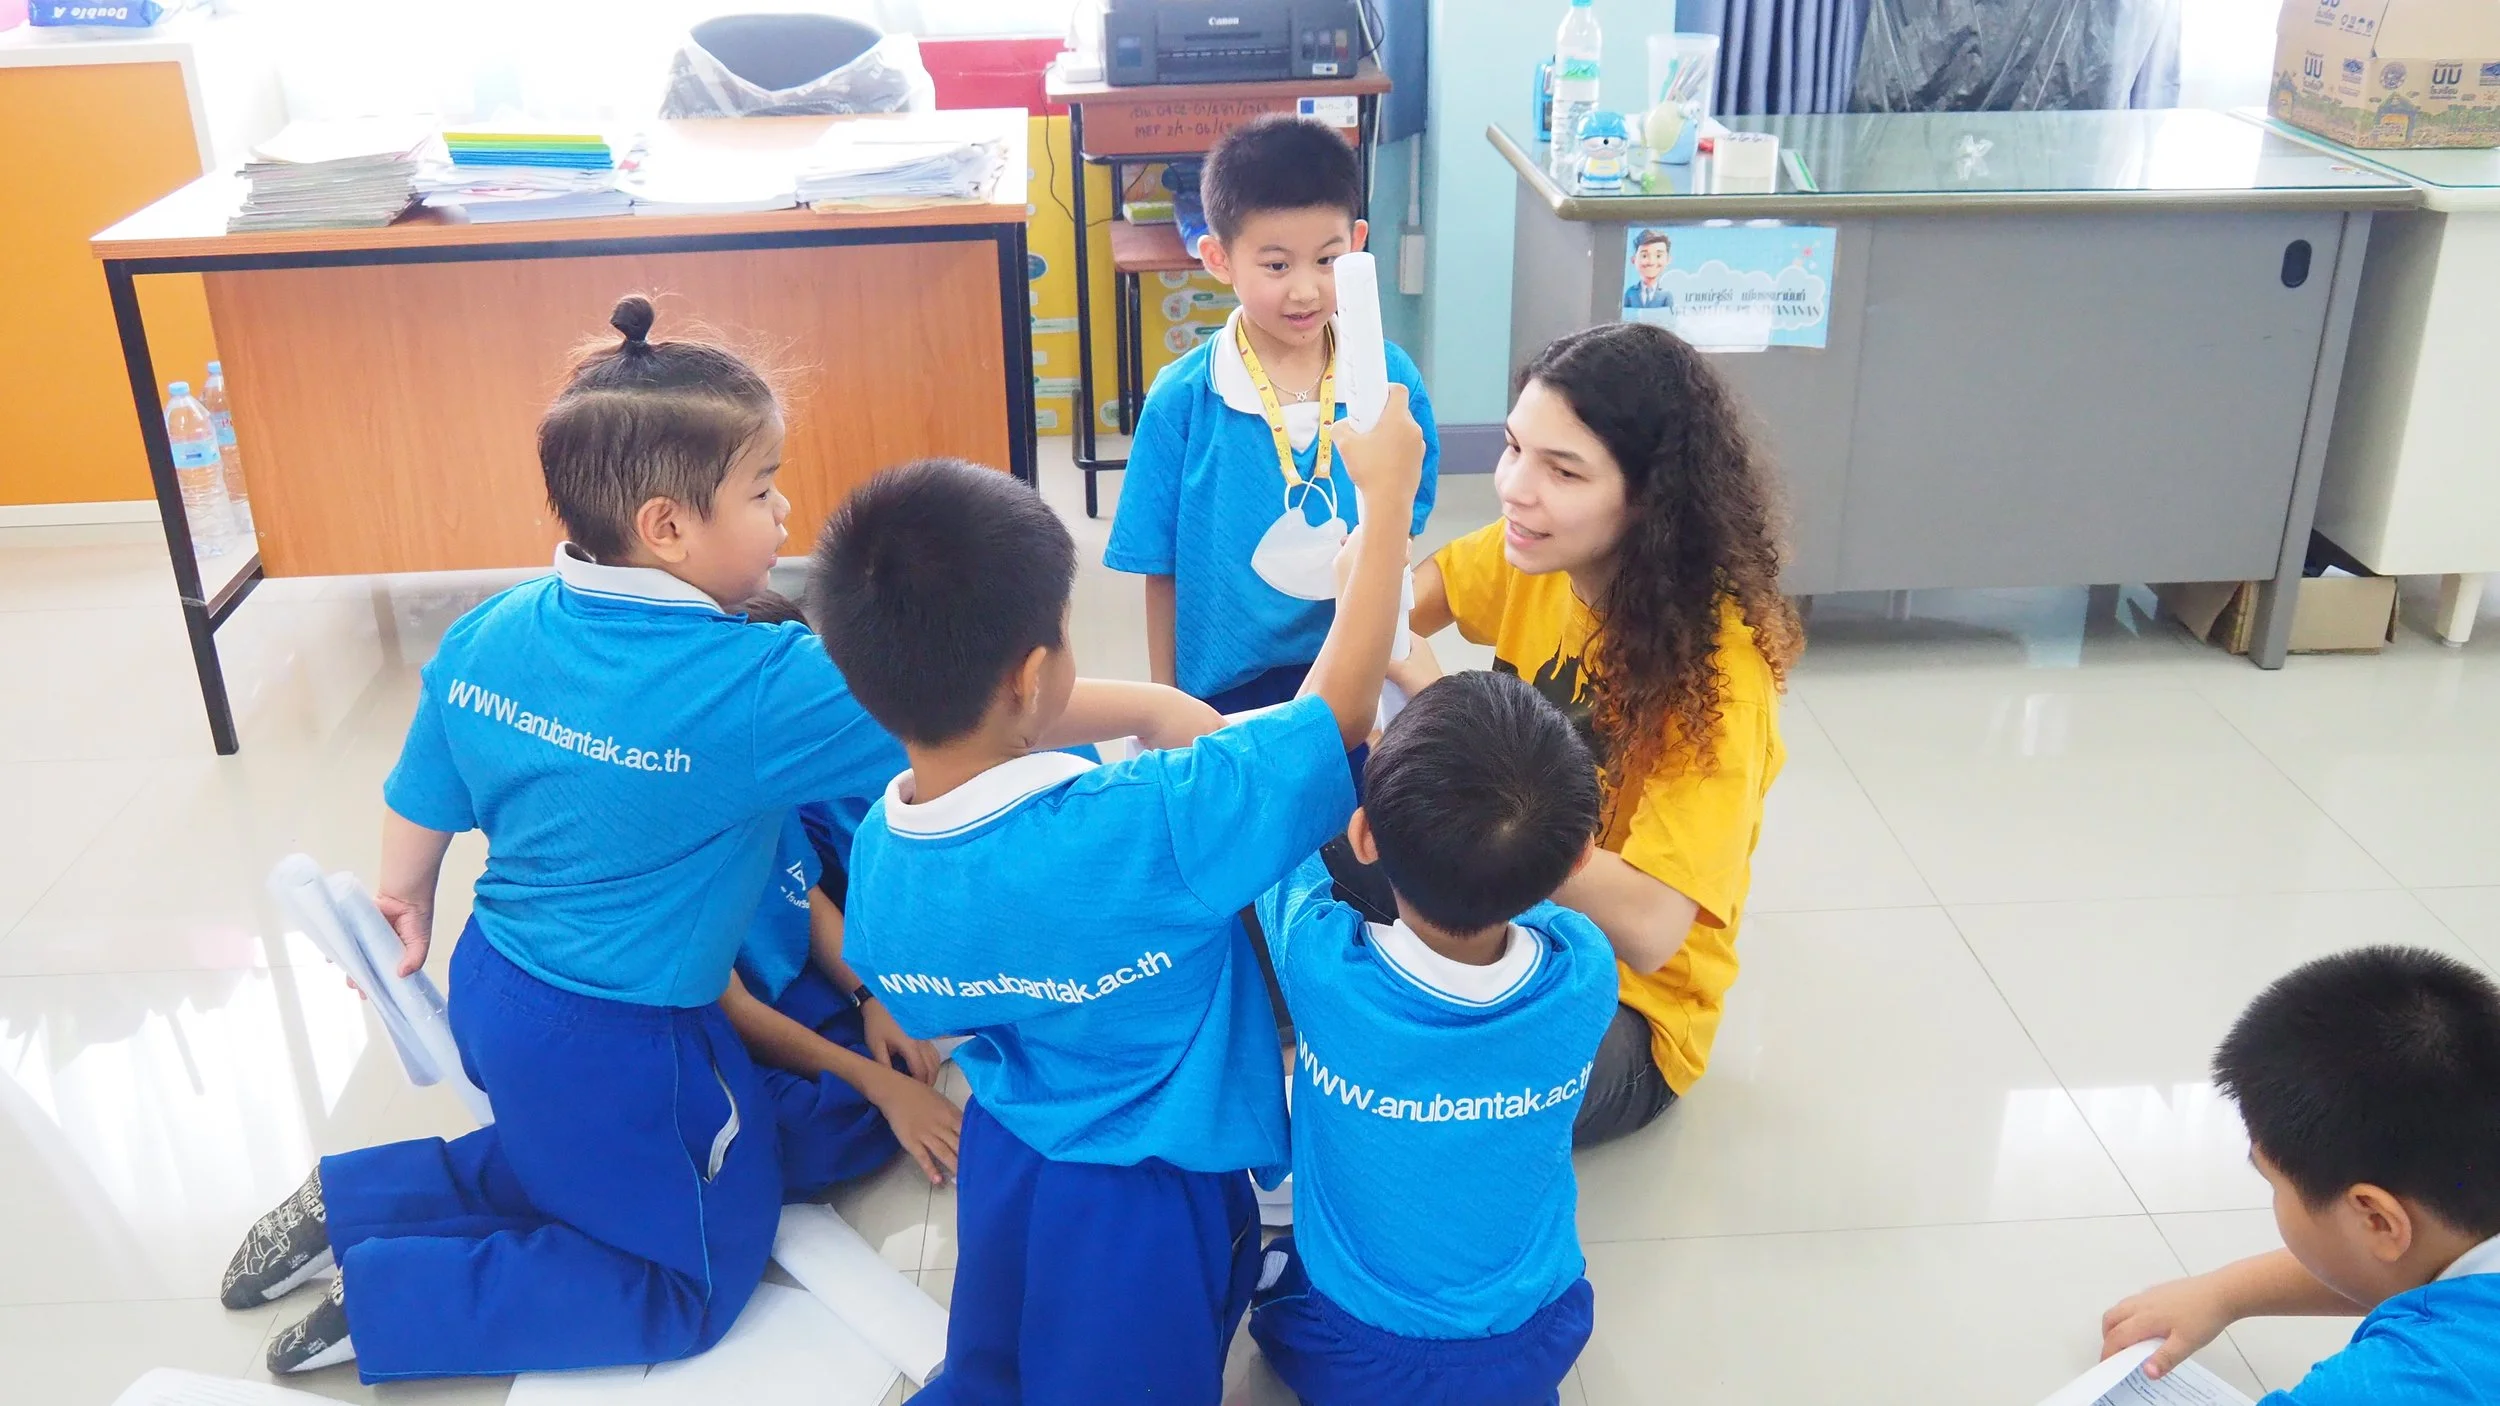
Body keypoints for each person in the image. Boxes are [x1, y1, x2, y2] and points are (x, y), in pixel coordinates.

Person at [216, 296, 909, 1381]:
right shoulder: (764, 679)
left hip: (497, 986)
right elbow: (959, 713)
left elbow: (424, 791)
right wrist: (1156, 718)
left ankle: (358, 1198)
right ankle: (399, 1297)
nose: (787, 512)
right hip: (629, 1036)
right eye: (765, 489)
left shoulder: (491, 626)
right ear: (669, 526)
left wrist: (403, 898)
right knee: (688, 1280)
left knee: (671, 1145)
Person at [807, 389, 1424, 1404]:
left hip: (1009, 1152)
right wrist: (1389, 504)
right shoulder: (1146, 827)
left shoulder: (880, 861)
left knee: (997, 1356)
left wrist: (1149, 703)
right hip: (1151, 1186)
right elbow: (1339, 710)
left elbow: (991, 733)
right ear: (1035, 669)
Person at [1388, 320, 1800, 1148]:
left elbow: (1649, 926)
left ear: (1648, 500)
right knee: (1274, 899)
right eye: (1512, 449)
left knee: (1419, 1083)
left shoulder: (1720, 676)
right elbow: (1396, 605)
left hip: (1625, 1009)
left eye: (1562, 470)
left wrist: (1439, 712)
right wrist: (1373, 531)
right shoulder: (1533, 551)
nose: (1515, 488)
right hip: (1499, 913)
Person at [1248, 670, 1617, 1406]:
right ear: (1578, 860)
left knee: (1267, 1287)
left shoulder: (1327, 972)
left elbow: (1270, 829)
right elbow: (1534, 904)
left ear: (1362, 837)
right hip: (1535, 1335)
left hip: (1359, 1347)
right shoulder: (1585, 973)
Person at [1105, 113, 1441, 716]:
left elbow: (1400, 539)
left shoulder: (1391, 382)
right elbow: (1161, 571)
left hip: (1357, 677)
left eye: (1327, 260)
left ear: (1357, 245)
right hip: (1226, 691)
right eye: (1277, 265)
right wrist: (1169, 707)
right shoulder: (1183, 399)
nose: (1306, 291)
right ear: (1218, 257)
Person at [2099, 946, 2500, 1402]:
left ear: (2375, 1219)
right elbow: (2411, 1260)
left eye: (2273, 1183)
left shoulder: (2399, 1383)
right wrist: (2226, 1293)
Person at [724, 591, 959, 1191]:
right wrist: (883, 1088)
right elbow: (733, 1006)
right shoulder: (695, 810)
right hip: (723, 1009)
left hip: (789, 976)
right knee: (818, 1133)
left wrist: (869, 997)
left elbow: (802, 896)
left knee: (899, 1049)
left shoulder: (775, 785)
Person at [1623, 230, 1675, 311]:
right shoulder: (1630, 292)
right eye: (1644, 256)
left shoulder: (1666, 294)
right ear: (1633, 260)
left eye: (1658, 256)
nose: (1651, 262)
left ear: (1668, 260)